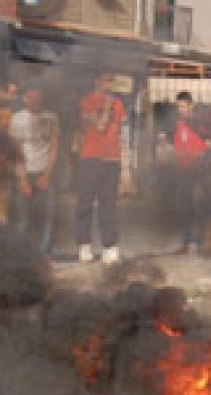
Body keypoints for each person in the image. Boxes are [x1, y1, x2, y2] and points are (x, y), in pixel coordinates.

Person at [77, 73, 127, 264]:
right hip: (92, 158)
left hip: (112, 160)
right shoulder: (87, 102)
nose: (110, 84)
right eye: (106, 79)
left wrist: (126, 166)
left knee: (109, 204)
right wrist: (106, 107)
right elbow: (99, 126)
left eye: (111, 80)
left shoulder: (119, 104)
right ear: (96, 81)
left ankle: (110, 246)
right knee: (85, 202)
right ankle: (84, 245)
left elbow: (120, 134)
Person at [9, 88, 59, 254]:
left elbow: (54, 149)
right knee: (23, 217)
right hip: (25, 172)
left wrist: (46, 175)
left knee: (48, 217)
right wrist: (22, 179)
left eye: (38, 97)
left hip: (45, 172)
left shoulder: (51, 118)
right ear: (25, 99)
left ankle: (43, 253)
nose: (35, 101)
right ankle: (19, 253)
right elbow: (16, 152)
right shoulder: (17, 119)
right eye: (31, 97)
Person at [172, 90, 211, 256]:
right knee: (184, 207)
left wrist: (202, 153)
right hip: (184, 170)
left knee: (200, 207)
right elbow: (178, 144)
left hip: (202, 171)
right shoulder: (179, 124)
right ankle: (186, 243)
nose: (181, 109)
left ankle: (200, 244)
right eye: (178, 106)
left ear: (191, 105)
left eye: (183, 106)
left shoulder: (201, 122)